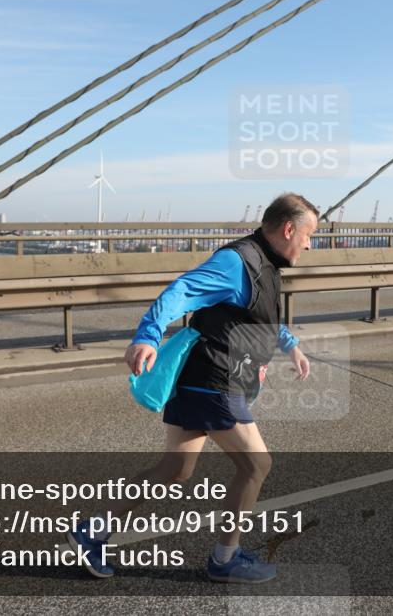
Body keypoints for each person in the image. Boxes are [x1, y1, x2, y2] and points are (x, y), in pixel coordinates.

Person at [68, 193, 318, 583]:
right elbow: (180, 292)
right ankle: (225, 559)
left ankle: (92, 532)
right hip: (213, 382)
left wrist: (291, 346)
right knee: (257, 465)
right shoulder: (237, 261)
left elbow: (258, 315)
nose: (308, 243)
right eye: (308, 235)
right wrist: (148, 336)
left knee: (175, 469)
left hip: (205, 381)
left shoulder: (266, 265)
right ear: (289, 229)